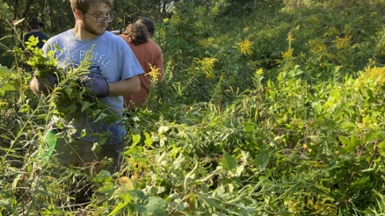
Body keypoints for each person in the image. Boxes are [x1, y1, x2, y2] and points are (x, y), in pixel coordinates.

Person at [29, 0, 144, 174]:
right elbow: (34, 85)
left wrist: (105, 87)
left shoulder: (117, 45)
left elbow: (135, 85)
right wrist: (40, 84)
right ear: (78, 14)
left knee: (106, 194)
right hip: (63, 131)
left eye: (107, 15)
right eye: (98, 15)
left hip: (107, 135)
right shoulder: (55, 44)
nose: (104, 21)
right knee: (47, 183)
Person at [119, 17, 164, 110]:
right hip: (142, 102)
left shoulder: (118, 41)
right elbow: (158, 77)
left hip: (118, 98)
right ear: (149, 33)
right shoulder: (155, 48)